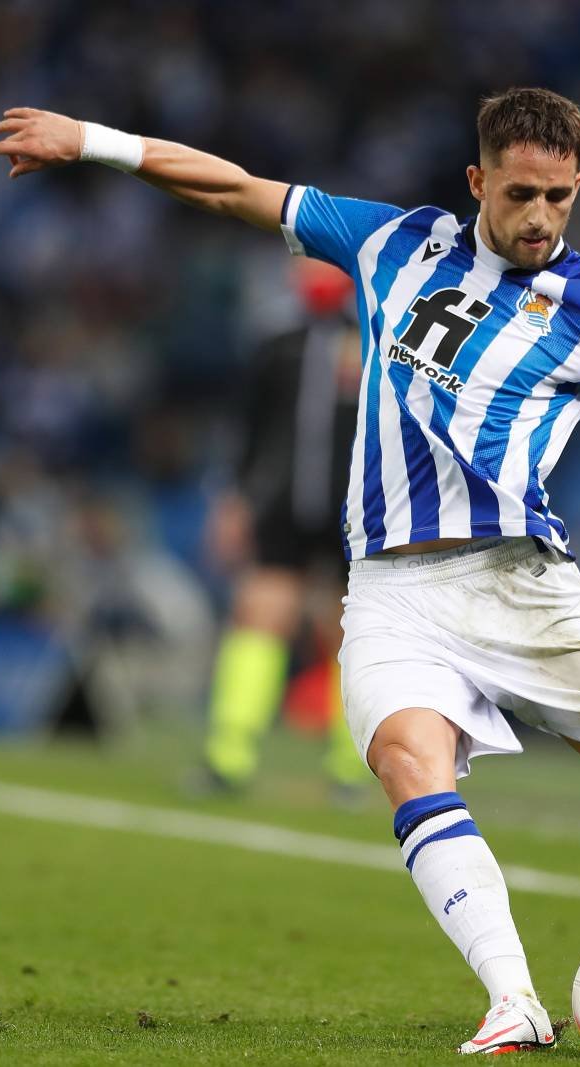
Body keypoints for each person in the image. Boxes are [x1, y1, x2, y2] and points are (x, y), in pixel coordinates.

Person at [0, 87, 580, 1054]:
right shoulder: (393, 243)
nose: (540, 216)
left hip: (521, 585)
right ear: (477, 181)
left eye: (559, 197)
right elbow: (233, 188)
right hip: (392, 590)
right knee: (407, 762)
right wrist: (92, 140)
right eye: (520, 193)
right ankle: (514, 1000)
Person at [200, 259, 370, 794]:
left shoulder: (375, 341)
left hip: (357, 510)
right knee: (260, 613)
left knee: (352, 631)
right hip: (282, 506)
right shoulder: (277, 345)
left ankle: (353, 765)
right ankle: (229, 755)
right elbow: (248, 434)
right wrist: (235, 502)